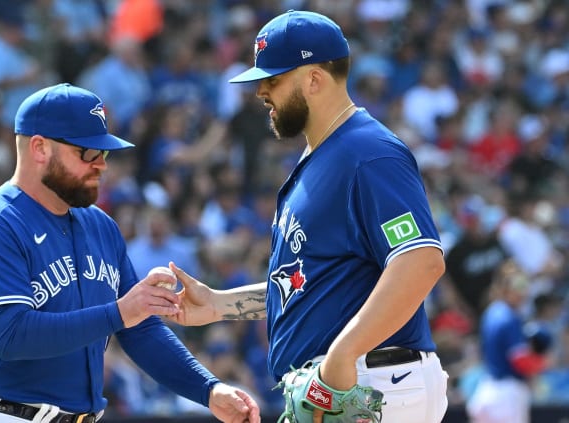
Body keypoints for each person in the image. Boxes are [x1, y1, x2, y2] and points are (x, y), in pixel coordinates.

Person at [167, 10, 449, 422]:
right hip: (349, 382)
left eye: (274, 79)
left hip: (372, 383)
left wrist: (341, 358)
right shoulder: (321, 156)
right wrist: (220, 304)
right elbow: (315, 284)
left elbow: (420, 262)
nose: (262, 91)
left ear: (314, 79)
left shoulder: (367, 153)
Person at [0, 83, 260, 423]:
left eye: (104, 153)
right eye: (87, 153)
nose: (101, 165)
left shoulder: (100, 226)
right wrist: (120, 312)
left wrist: (207, 389)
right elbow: (11, 335)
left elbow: (140, 328)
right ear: (39, 148)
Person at [466, 260, 552, 423]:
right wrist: (544, 364)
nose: (524, 291)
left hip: (489, 390)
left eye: (525, 284)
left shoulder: (492, 311)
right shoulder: (509, 317)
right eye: (519, 285)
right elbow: (520, 361)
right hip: (506, 396)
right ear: (505, 287)